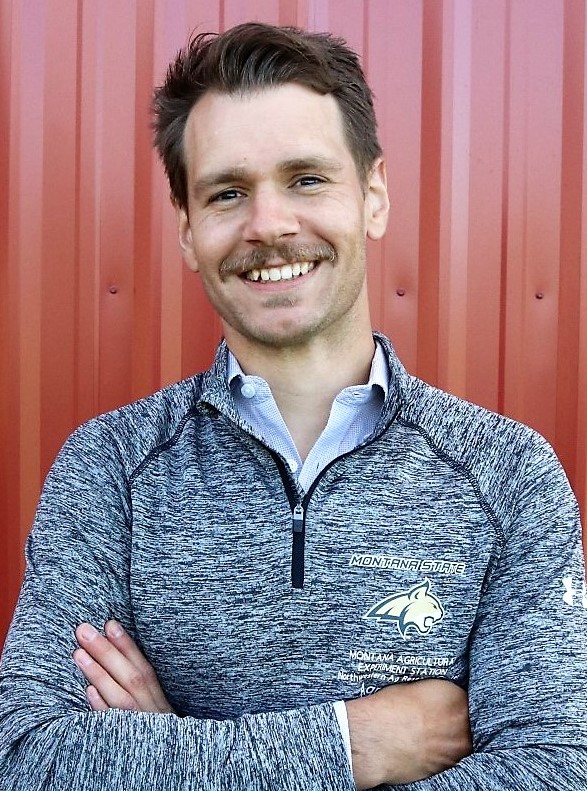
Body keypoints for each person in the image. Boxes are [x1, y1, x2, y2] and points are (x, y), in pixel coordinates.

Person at [0, 21, 586, 791]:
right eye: (227, 192)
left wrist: (174, 750)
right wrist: (352, 745)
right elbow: (31, 757)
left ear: (372, 196)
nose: (269, 225)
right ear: (187, 229)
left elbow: (553, 768)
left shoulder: (507, 474)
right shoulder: (110, 468)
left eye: (306, 179)